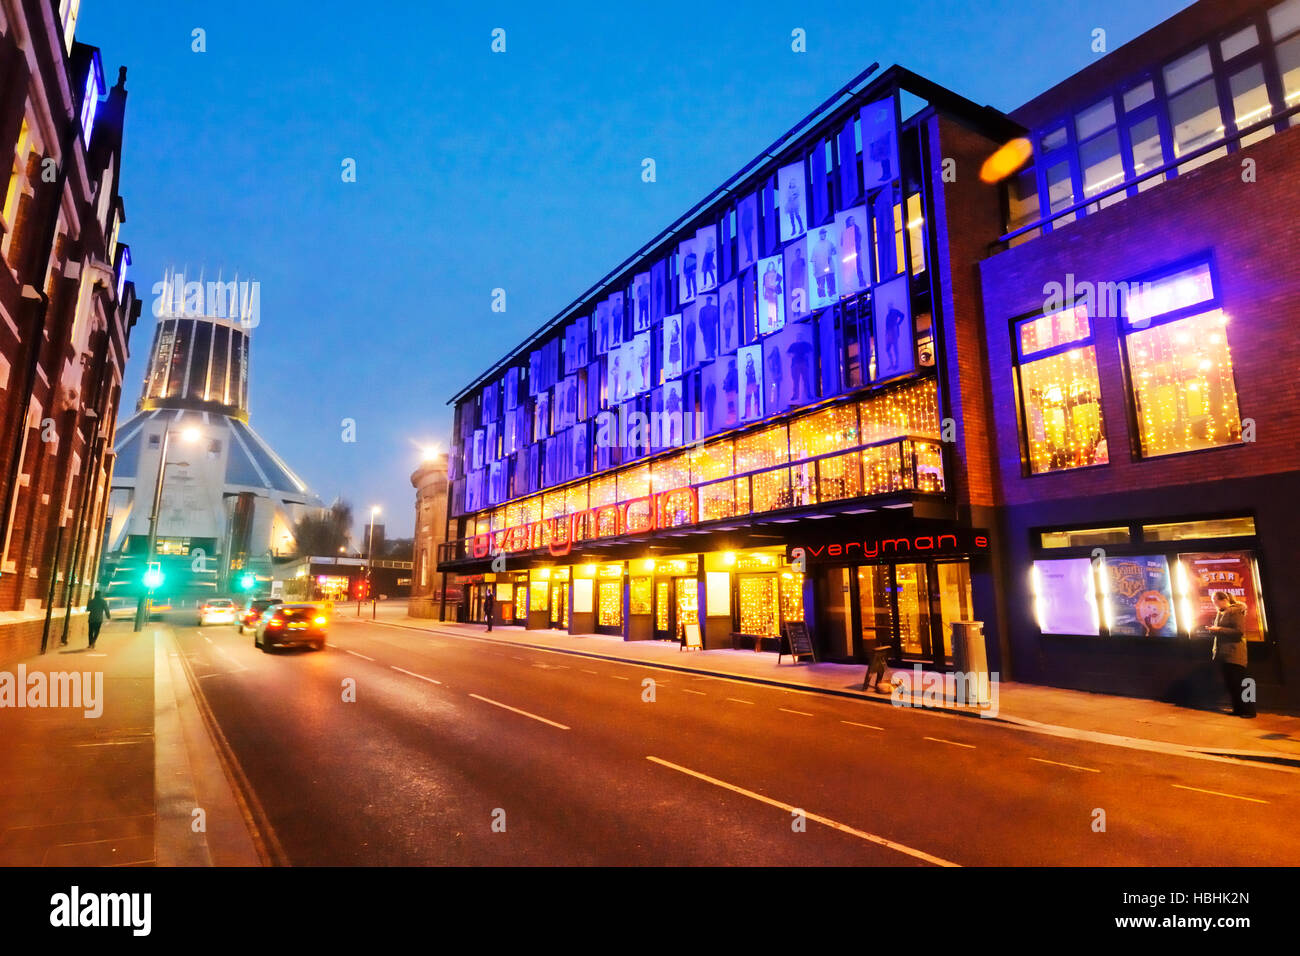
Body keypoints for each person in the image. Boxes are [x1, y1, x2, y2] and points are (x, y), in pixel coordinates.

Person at [1206, 591, 1255, 717]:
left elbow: (1239, 631)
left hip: (1235, 652)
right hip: (1224, 653)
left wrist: (1219, 629)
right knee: (1231, 683)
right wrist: (1213, 630)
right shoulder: (1221, 613)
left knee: (1241, 683)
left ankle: (1249, 711)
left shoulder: (1235, 611)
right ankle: (1238, 709)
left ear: (1223, 599)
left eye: (1215, 601)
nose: (1215, 604)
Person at [811, 228, 837, 300]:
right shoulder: (816, 245)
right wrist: (814, 270)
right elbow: (813, 259)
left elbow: (835, 250)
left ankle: (832, 295)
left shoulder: (829, 242)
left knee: (831, 281)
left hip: (829, 266)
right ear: (820, 235)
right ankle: (822, 298)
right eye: (822, 233)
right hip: (820, 268)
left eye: (825, 233)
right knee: (820, 283)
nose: (824, 234)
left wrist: (833, 252)